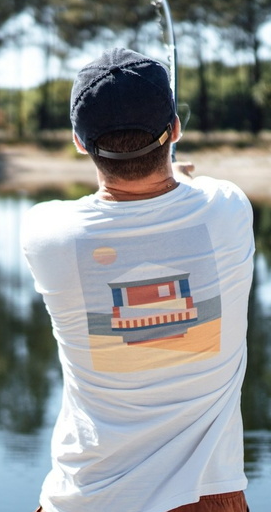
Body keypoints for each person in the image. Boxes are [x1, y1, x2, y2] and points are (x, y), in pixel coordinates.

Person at [21, 48, 254, 512]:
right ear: (175, 130)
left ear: (80, 142)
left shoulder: (46, 233)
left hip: (83, 500)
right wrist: (179, 179)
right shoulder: (227, 209)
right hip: (207, 497)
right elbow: (191, 195)